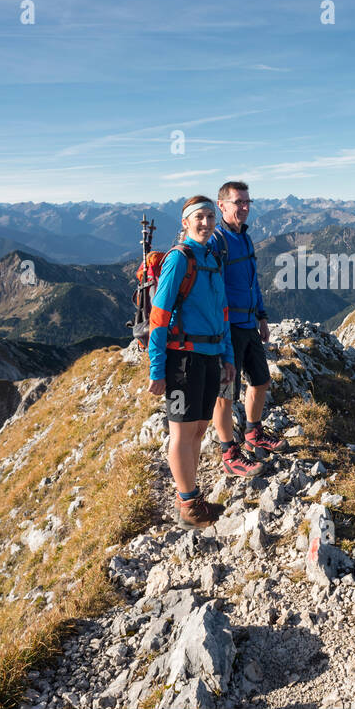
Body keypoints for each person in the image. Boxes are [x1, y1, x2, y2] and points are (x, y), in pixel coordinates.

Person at [147, 195, 234, 528]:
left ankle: (192, 495)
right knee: (182, 433)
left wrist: (226, 355)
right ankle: (189, 506)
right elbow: (160, 314)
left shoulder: (212, 257)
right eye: (198, 217)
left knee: (198, 428)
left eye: (210, 217)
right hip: (183, 359)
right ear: (184, 222)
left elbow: (222, 311)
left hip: (211, 357)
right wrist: (157, 369)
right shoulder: (179, 259)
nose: (206, 222)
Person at [209, 180, 290, 467]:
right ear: (222, 205)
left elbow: (253, 282)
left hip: (248, 324)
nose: (244, 207)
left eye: (247, 202)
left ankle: (253, 433)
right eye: (237, 202)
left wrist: (262, 316)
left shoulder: (244, 237)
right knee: (225, 394)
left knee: (261, 380)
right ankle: (229, 452)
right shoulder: (216, 241)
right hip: (226, 328)